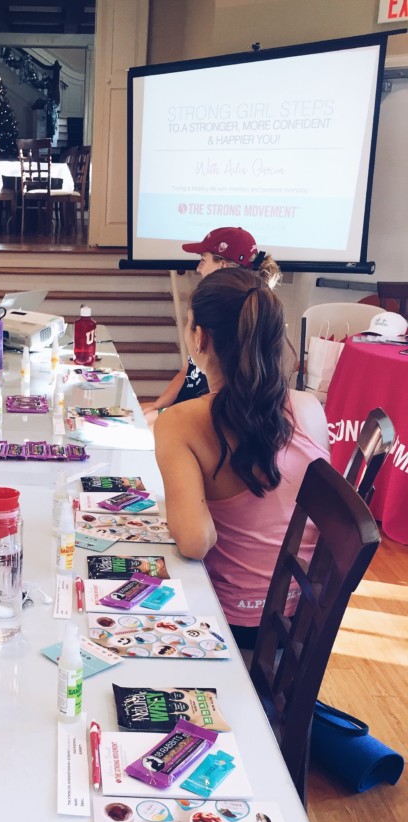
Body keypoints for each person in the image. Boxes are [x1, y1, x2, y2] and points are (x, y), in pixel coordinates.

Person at [154, 268, 329, 649]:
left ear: (199, 337)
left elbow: (196, 541)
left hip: (229, 624)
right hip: (297, 618)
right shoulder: (309, 409)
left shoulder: (181, 423)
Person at [143, 227, 281, 423]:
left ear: (222, 265)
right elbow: (187, 369)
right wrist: (157, 406)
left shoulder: (237, 315)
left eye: (203, 259)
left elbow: (220, 402)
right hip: (190, 411)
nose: (198, 268)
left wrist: (163, 415)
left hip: (210, 417)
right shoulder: (209, 305)